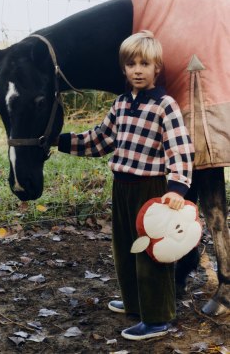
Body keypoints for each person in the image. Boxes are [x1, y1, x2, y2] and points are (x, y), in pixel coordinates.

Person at [57, 30, 194, 340]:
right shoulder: (120, 104)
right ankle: (135, 302)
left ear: (157, 68)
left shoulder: (164, 105)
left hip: (152, 189)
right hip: (122, 186)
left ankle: (158, 318)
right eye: (131, 64)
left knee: (150, 252)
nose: (138, 70)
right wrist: (62, 141)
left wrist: (177, 187)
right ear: (124, 68)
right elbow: (100, 139)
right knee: (124, 248)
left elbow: (180, 148)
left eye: (145, 64)